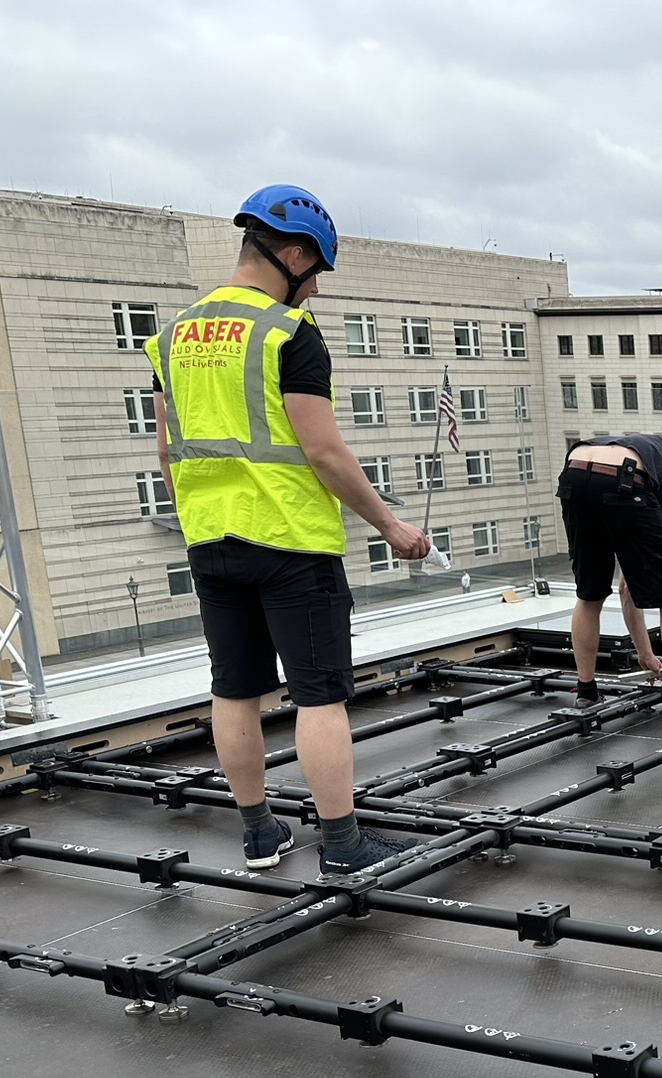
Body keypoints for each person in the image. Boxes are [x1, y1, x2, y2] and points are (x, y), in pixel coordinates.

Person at [146, 184, 431, 875]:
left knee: (234, 689)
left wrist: (201, 519)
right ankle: (341, 844)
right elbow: (324, 450)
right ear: (295, 255)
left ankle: (260, 835)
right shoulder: (287, 333)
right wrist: (391, 526)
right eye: (316, 275)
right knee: (319, 695)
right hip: (290, 539)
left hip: (210, 539)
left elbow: (165, 450)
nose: (314, 292)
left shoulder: (174, 335)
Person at [556, 433, 662, 731]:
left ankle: (586, 693)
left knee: (589, 594)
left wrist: (646, 654)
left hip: (575, 471)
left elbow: (628, 588)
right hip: (623, 476)